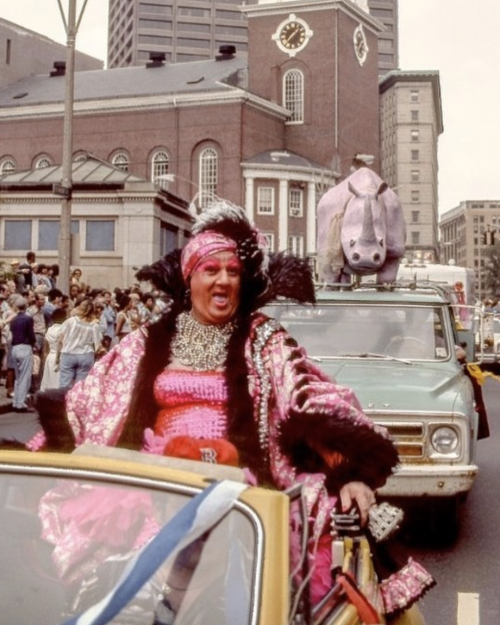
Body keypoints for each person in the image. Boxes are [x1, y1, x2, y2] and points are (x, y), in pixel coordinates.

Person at [32, 202, 433, 622]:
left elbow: (307, 398)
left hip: (242, 490)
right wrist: (41, 453)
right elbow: (91, 399)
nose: (224, 279)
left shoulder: (264, 339)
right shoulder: (150, 340)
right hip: (160, 485)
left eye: (233, 271)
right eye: (212, 270)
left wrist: (350, 471)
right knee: (130, 590)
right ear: (191, 279)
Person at [55, 298, 103, 389]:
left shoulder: (70, 321)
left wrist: (57, 358)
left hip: (68, 353)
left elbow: (60, 340)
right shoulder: (94, 326)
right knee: (81, 386)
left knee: (64, 385)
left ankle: (64, 402)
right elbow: (97, 347)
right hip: (86, 355)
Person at [9, 296, 36, 412]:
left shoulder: (13, 319)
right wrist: (34, 343)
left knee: (18, 376)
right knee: (25, 376)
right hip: (24, 346)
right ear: (26, 306)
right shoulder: (28, 319)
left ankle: (16, 401)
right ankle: (21, 403)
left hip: (14, 347)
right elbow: (30, 334)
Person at [40, 308, 67, 391]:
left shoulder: (49, 330)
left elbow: (45, 348)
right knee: (57, 381)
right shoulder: (64, 330)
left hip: (50, 357)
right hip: (60, 357)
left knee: (49, 380)